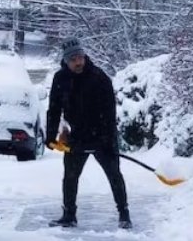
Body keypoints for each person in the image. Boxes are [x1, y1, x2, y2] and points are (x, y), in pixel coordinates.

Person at [45, 37, 131, 229]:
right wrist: (50, 136)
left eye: (80, 57)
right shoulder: (61, 79)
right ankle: (69, 215)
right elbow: (54, 108)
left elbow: (110, 113)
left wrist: (107, 140)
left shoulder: (99, 78)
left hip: (102, 134)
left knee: (114, 174)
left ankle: (124, 214)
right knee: (70, 176)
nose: (78, 62)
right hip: (76, 136)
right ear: (66, 61)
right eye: (73, 59)